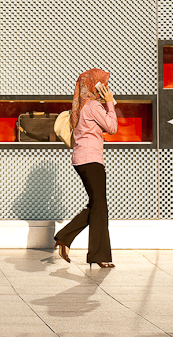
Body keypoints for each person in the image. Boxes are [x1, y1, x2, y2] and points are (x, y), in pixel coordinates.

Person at [54, 68, 118, 269]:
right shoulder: (92, 106)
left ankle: (65, 237)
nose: (106, 88)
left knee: (97, 205)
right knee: (100, 206)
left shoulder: (82, 106)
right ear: (94, 85)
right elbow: (113, 128)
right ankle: (98, 255)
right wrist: (109, 103)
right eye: (103, 84)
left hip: (82, 160)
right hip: (92, 160)